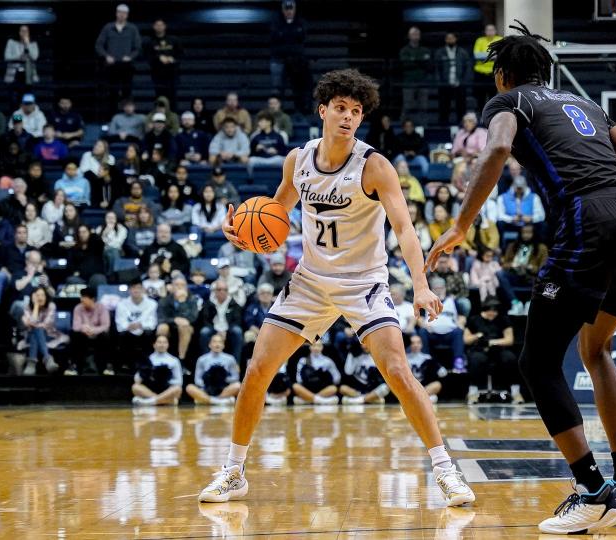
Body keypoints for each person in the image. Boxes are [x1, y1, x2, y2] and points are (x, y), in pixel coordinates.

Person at [426, 22, 616, 533]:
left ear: (502, 76)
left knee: (538, 361)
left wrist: (460, 225)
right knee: (595, 350)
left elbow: (497, 150)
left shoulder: (509, 103)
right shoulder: (585, 105)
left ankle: (591, 490)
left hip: (589, 219)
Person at [199, 69, 475, 506]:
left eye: (356, 111)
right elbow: (277, 213)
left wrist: (420, 285)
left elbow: (403, 227)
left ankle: (445, 469)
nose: (348, 117)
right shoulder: (298, 160)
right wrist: (245, 234)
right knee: (256, 371)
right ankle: (233, 471)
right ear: (323, 110)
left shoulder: (374, 166)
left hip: (363, 282)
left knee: (399, 374)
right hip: (309, 281)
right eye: (341, 109)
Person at [464, 298, 518, 403]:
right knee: (476, 359)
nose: (492, 313)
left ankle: (516, 392)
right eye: (490, 311)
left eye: (495, 311)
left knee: (510, 358)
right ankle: (472, 392)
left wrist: (492, 342)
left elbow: (509, 339)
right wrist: (476, 336)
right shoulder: (474, 319)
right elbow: (466, 339)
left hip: (498, 349)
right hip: (479, 349)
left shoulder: (503, 319)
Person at [96, 3, 141, 111]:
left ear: (127, 15)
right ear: (116, 13)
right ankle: (112, 116)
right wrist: (106, 56)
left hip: (127, 65)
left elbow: (138, 47)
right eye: (120, 12)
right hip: (111, 66)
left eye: (124, 13)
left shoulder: (132, 28)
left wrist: (130, 57)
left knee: (127, 92)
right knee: (112, 92)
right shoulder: (108, 27)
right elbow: (99, 45)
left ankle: (127, 115)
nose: (122, 15)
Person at [269, 1, 310, 114]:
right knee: (277, 89)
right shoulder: (276, 23)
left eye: (291, 9)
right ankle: (277, 113)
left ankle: (299, 112)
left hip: (296, 62)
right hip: (279, 60)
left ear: (295, 9)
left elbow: (301, 41)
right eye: (286, 9)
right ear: (283, 10)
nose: (289, 11)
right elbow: (275, 41)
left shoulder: (301, 23)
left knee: (297, 88)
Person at [187, 333, 241, 405]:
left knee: (238, 385)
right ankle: (218, 401)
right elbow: (197, 379)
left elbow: (235, 377)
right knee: (189, 388)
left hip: (224, 388)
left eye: (220, 342)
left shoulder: (230, 359)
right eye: (214, 342)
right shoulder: (202, 359)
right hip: (206, 389)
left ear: (223, 345)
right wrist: (208, 383)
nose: (217, 344)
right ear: (209, 344)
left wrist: (223, 379)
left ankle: (208, 400)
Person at [115, 281, 159, 370]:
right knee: (122, 335)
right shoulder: (121, 304)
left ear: (143, 290)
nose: (136, 290)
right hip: (128, 331)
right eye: (133, 288)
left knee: (149, 333)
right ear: (129, 290)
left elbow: (153, 322)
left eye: (138, 288)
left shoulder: (152, 304)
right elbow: (119, 322)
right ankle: (126, 364)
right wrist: (128, 326)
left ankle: (148, 363)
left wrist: (141, 325)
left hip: (145, 330)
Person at [198, 279, 244, 362]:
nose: (222, 292)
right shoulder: (209, 304)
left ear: (228, 291)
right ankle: (205, 361)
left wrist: (225, 330)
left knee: (237, 331)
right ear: (215, 291)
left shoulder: (234, 304)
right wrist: (217, 330)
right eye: (219, 289)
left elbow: (237, 321)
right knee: (204, 331)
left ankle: (236, 363)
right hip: (213, 328)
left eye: (225, 290)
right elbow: (205, 320)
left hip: (228, 329)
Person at [69, 288, 111, 375]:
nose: (82, 299)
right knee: (74, 334)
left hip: (98, 336)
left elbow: (106, 325)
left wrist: (93, 330)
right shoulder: (78, 308)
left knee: (106, 335)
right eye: (81, 297)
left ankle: (105, 367)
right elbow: (76, 326)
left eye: (84, 297)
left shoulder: (101, 307)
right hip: (83, 335)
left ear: (92, 299)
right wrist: (84, 328)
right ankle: (75, 367)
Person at [20, 287, 60, 376]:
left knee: (37, 330)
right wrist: (36, 306)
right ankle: (48, 359)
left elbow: (46, 324)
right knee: (36, 331)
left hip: (48, 335)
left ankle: (31, 364)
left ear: (46, 296)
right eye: (38, 295)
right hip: (30, 336)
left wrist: (32, 325)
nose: (40, 298)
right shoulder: (27, 307)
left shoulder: (51, 306)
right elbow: (29, 324)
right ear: (33, 297)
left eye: (42, 295)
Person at [157, 278, 199, 360]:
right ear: (172, 287)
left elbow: (193, 317)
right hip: (169, 325)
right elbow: (161, 318)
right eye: (177, 285)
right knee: (162, 327)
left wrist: (182, 302)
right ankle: (161, 355)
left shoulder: (192, 299)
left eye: (182, 285)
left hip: (186, 327)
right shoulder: (164, 300)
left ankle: (181, 359)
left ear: (186, 287)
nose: (180, 287)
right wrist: (175, 320)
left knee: (184, 327)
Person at [435, 33, 471, 125]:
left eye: (452, 38)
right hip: (445, 84)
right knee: (444, 107)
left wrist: (463, 82)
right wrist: (440, 82)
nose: (450, 40)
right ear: (445, 40)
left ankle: (462, 126)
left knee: (461, 107)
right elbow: (437, 69)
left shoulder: (463, 52)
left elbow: (467, 68)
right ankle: (443, 127)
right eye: (448, 38)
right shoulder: (440, 52)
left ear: (456, 39)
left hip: (459, 84)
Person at [144, 18, 182, 103]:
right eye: (157, 25)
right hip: (157, 75)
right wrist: (158, 58)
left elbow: (181, 54)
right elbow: (148, 57)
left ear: (165, 26)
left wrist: (173, 59)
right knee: (160, 98)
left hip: (172, 74)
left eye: (161, 25)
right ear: (154, 27)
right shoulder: (150, 42)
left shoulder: (174, 40)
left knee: (173, 98)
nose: (159, 27)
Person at [4, 25, 40, 107]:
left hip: (28, 75)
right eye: (22, 31)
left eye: (26, 31)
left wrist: (27, 44)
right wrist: (19, 57)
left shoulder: (33, 44)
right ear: (18, 32)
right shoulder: (11, 42)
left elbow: (35, 57)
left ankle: (26, 119)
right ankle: (17, 119)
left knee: (27, 99)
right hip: (15, 75)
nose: (24, 33)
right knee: (15, 100)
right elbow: (7, 56)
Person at [406, 334, 445, 403]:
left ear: (421, 344)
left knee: (437, 384)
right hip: (410, 387)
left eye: (418, 342)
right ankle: (424, 399)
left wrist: (439, 369)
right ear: (410, 344)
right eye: (413, 343)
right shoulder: (405, 358)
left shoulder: (427, 357)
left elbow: (442, 371)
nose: (416, 345)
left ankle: (416, 399)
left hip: (424, 387)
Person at [472, 24, 502, 107]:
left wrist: (484, 56)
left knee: (493, 96)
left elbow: (501, 55)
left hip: (494, 73)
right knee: (480, 97)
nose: (490, 32)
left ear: (495, 31)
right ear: (485, 32)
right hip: (480, 72)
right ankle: (480, 115)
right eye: (488, 30)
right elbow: (477, 55)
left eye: (492, 30)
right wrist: (493, 56)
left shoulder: (500, 40)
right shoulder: (479, 40)